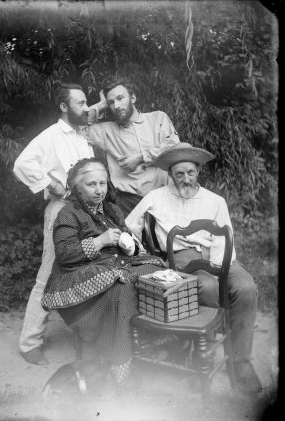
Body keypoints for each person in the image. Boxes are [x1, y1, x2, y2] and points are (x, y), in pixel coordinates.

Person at [125, 142, 262, 395]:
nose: (185, 178)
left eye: (190, 172)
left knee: (246, 287)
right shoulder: (155, 197)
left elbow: (224, 237)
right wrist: (140, 252)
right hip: (182, 259)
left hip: (218, 255)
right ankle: (203, 356)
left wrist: (217, 266)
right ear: (170, 175)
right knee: (207, 286)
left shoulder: (215, 201)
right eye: (179, 174)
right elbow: (129, 226)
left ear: (198, 171)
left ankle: (240, 362)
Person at [40, 158, 165, 386]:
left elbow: (131, 243)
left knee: (154, 273)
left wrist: (131, 244)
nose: (99, 190)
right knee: (125, 289)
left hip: (116, 266)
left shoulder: (112, 210)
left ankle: (153, 342)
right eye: (92, 185)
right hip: (80, 277)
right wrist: (99, 241)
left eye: (103, 183)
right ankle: (121, 362)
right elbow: (65, 255)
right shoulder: (68, 214)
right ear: (78, 187)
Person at [13, 83, 105, 365]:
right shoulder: (51, 136)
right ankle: (29, 343)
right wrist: (51, 184)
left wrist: (97, 108)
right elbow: (21, 164)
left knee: (90, 268)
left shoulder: (82, 135)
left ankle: (91, 338)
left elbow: (91, 114)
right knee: (49, 274)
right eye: (79, 103)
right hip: (62, 211)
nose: (85, 107)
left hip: (88, 212)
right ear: (64, 107)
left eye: (86, 102)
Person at [86, 77, 181, 216]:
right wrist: (101, 104)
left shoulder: (158, 118)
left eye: (120, 98)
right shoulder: (106, 130)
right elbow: (80, 125)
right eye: (111, 102)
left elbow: (174, 146)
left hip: (164, 196)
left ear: (133, 98)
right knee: (130, 238)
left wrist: (141, 157)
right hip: (128, 203)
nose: (116, 105)